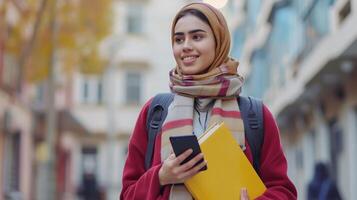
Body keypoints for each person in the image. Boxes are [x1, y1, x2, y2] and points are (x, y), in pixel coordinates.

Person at [120, 2, 297, 200]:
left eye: (197, 37)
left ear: (218, 41)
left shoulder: (255, 114)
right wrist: (161, 176)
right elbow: (128, 194)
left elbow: (284, 192)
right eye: (179, 39)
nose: (186, 46)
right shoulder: (155, 112)